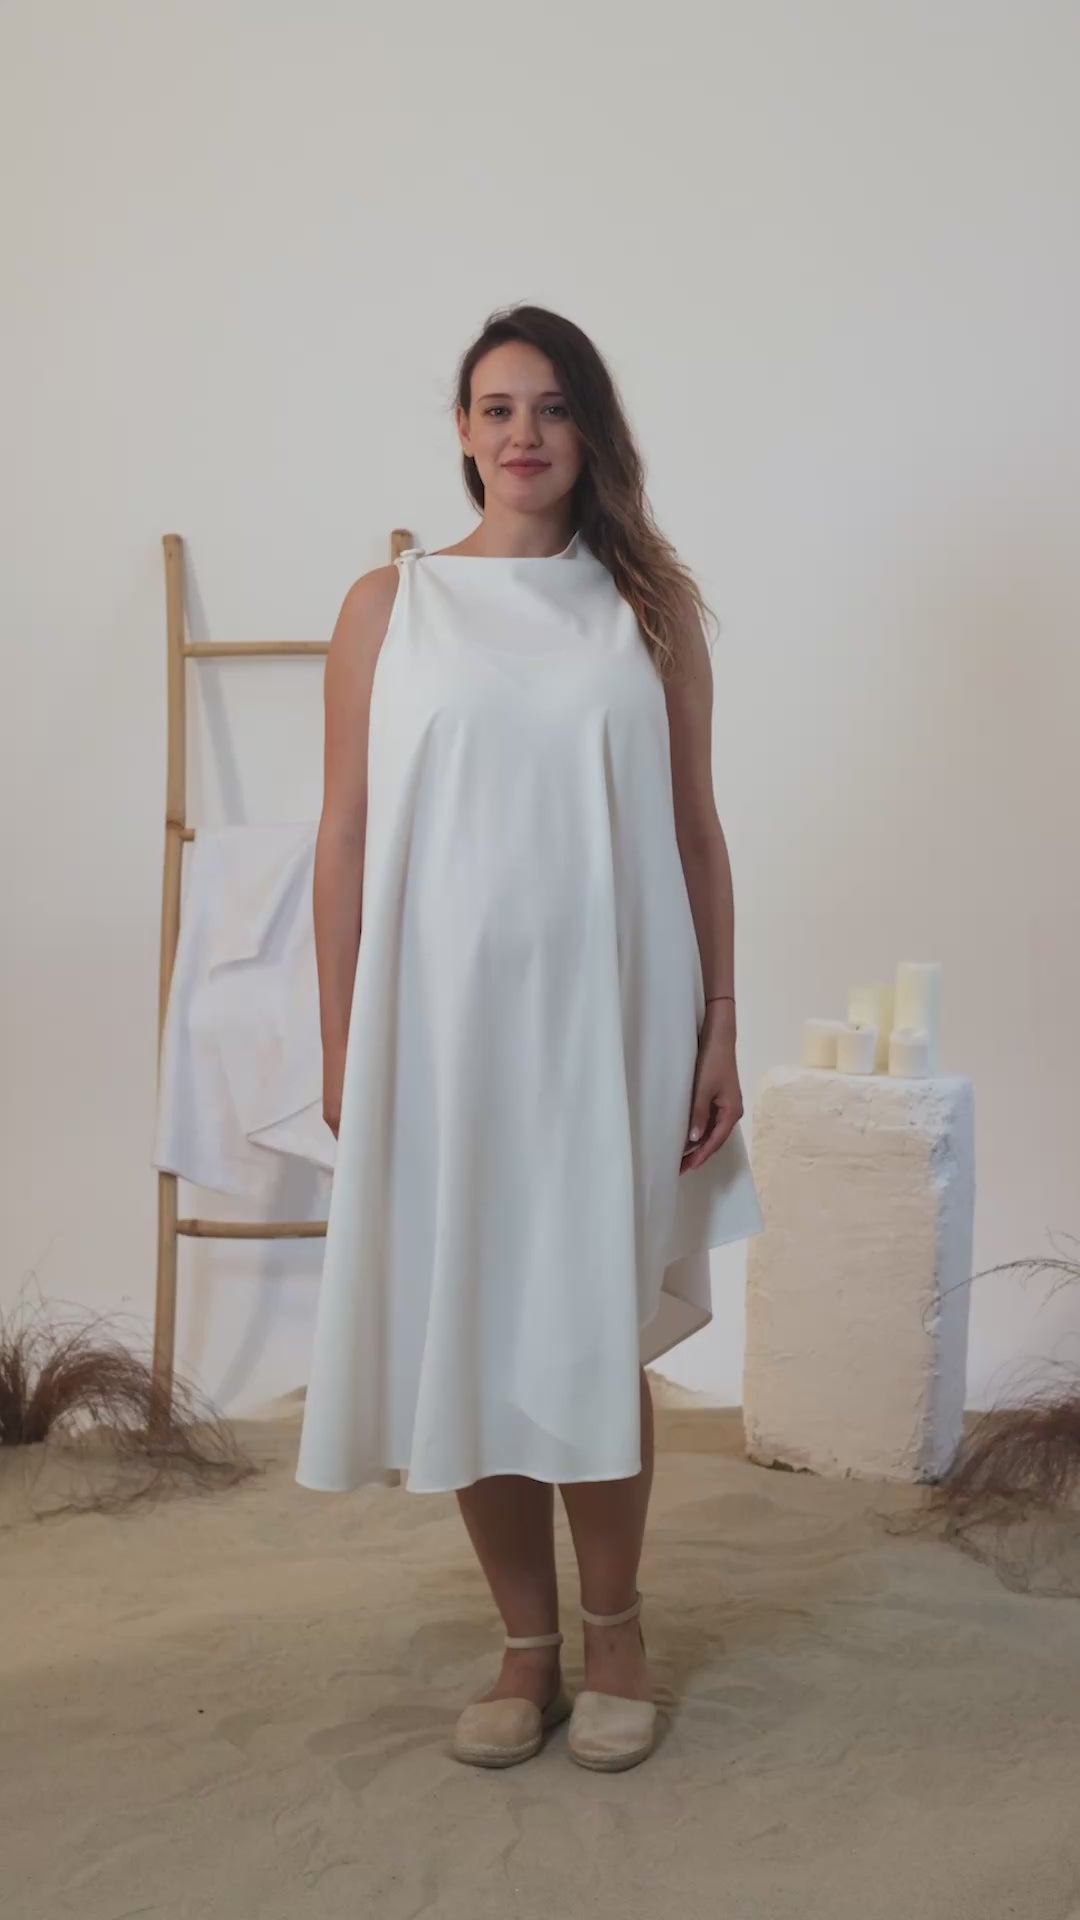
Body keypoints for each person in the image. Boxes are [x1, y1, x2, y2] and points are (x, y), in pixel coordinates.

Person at [294, 303, 763, 1772]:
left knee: (585, 1314)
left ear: (590, 430)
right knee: (468, 1317)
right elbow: (343, 836)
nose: (524, 434)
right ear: (460, 430)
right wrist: (339, 1043)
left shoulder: (647, 608)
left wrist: (720, 1024)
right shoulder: (390, 606)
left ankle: (616, 1630)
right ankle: (525, 1647)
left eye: (553, 407)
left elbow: (695, 830)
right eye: (497, 408)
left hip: (609, 1023)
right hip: (438, 1031)